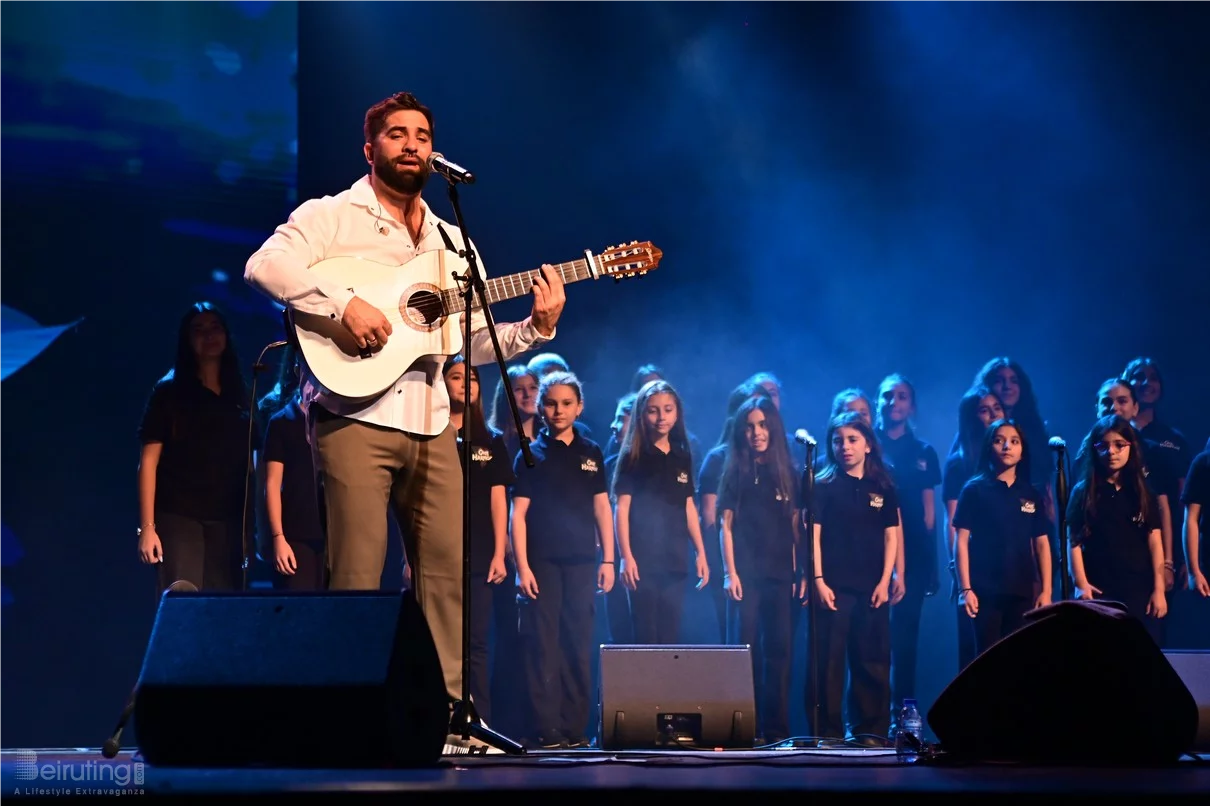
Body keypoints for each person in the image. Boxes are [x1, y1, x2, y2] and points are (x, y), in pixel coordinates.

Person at [243, 91, 566, 725]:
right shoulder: (332, 215)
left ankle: (446, 719)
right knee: (358, 577)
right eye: (397, 134)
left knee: (446, 578)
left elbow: (465, 340)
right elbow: (264, 266)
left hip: (431, 422)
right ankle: (349, 718)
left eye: (422, 135)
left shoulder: (453, 241)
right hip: (354, 417)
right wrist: (342, 304)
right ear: (370, 149)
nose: (412, 144)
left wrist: (535, 328)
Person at [512, 371, 615, 749]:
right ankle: (547, 728)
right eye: (552, 403)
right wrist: (522, 567)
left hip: (583, 562)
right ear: (541, 408)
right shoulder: (530, 454)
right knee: (543, 645)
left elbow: (602, 507)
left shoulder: (591, 452)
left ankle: (574, 729)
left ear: (579, 407)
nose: (559, 410)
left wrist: (609, 560)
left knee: (577, 643)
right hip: (542, 563)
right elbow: (518, 515)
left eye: (567, 403)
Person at [136, 302, 251, 594]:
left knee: (222, 604)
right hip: (179, 515)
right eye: (199, 330)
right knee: (184, 601)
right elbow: (148, 462)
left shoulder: (239, 393)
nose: (209, 335)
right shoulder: (169, 392)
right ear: (187, 340)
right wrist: (148, 527)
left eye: (215, 327)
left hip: (227, 519)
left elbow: (253, 461)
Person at [809, 411, 899, 747]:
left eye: (852, 440)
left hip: (872, 587)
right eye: (838, 441)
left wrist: (885, 580)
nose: (844, 447)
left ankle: (870, 729)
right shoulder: (822, 486)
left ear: (868, 445)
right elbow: (813, 535)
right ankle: (829, 731)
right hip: (833, 586)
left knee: (872, 660)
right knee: (829, 662)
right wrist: (818, 579)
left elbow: (891, 535)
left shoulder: (883, 486)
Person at [718, 395, 800, 744]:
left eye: (763, 425)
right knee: (745, 649)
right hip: (746, 576)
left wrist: (799, 572)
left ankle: (776, 730)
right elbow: (725, 526)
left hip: (780, 576)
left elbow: (795, 526)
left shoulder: (788, 473)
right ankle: (744, 729)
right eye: (750, 427)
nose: (757, 433)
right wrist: (730, 572)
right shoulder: (735, 471)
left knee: (779, 651)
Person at [613, 380, 710, 644]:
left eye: (668, 409)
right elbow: (621, 508)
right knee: (645, 634)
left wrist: (700, 552)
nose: (661, 417)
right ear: (642, 414)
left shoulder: (682, 455)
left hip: (675, 557)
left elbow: (688, 505)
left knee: (670, 635)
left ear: (677, 412)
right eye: (653, 411)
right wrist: (626, 556)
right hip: (642, 559)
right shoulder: (633, 456)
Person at [954, 419, 1053, 656]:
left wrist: (1046, 591)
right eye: (999, 441)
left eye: (1014, 441)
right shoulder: (974, 490)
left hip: (1021, 590)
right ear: (989, 447)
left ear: (1022, 450)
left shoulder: (1030, 494)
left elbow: (1041, 544)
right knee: (987, 657)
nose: (1007, 446)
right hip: (984, 591)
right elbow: (961, 541)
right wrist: (965, 589)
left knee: (1016, 659)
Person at [1067, 415, 1167, 644]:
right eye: (1103, 446)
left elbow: (1155, 542)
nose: (1111, 452)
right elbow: (1073, 540)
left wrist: (1159, 589)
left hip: (1138, 588)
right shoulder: (1083, 492)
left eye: (1119, 445)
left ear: (1131, 447)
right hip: (1099, 587)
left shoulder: (1143, 492)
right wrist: (1080, 583)